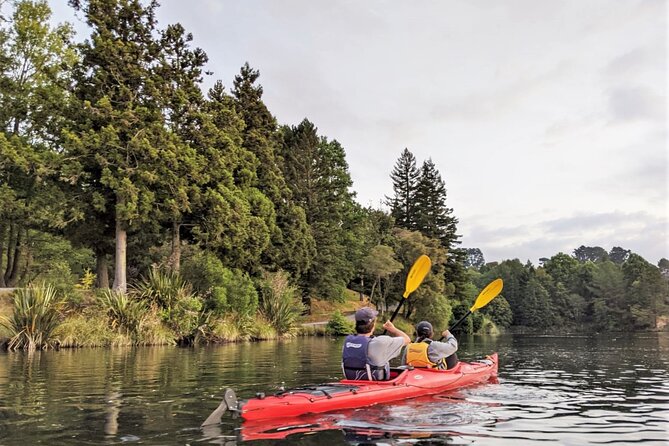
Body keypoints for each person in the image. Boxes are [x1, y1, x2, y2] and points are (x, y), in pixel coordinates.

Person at [342, 307, 411, 381]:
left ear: (356, 323)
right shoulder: (381, 342)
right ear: (373, 324)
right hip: (374, 384)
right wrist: (393, 329)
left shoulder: (347, 341)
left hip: (352, 383)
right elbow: (407, 339)